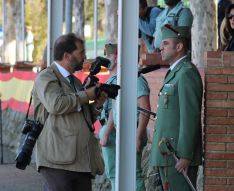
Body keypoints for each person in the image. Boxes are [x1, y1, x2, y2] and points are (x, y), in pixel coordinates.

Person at [33, 33, 107, 191]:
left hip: (81, 160)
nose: (85, 56)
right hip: (57, 161)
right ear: (67, 55)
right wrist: (86, 95)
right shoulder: (46, 77)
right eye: (81, 52)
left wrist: (97, 106)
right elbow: (56, 104)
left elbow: (83, 119)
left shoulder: (76, 82)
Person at [150, 25, 203, 191]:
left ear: (179, 47)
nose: (161, 47)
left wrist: (185, 155)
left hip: (178, 158)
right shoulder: (176, 71)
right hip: (168, 155)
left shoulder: (186, 73)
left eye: (166, 43)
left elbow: (190, 117)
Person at [99, 44, 151, 191]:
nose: (108, 59)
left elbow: (145, 109)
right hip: (116, 131)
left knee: (133, 175)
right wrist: (106, 132)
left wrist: (138, 136)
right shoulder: (121, 77)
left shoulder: (136, 78)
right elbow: (114, 109)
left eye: (110, 55)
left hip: (130, 132)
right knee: (115, 174)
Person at [99, 43, 118, 189]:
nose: (107, 60)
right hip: (108, 128)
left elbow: (114, 109)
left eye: (109, 56)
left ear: (117, 57)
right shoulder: (111, 77)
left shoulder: (118, 79)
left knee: (114, 172)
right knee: (112, 172)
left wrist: (106, 131)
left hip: (112, 131)